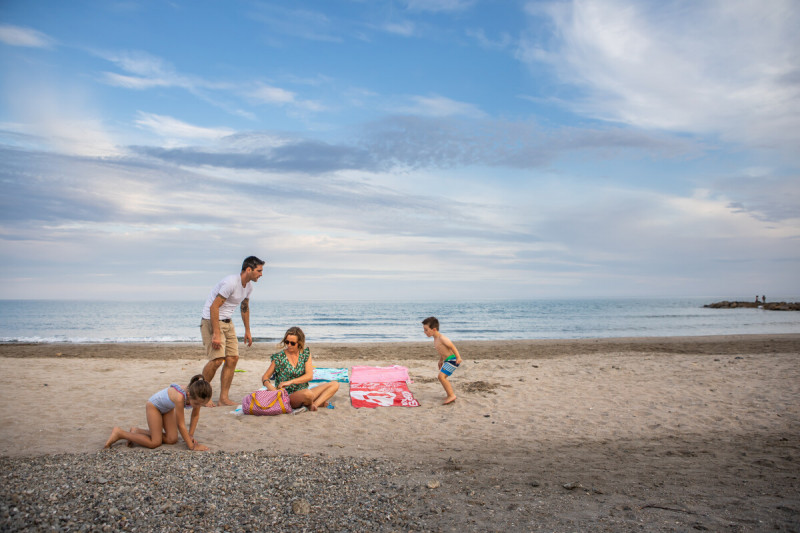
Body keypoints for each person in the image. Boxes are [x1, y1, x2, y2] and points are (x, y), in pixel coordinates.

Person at [201, 256, 265, 406]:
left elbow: (244, 308)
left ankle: (223, 398)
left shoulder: (249, 286)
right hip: (212, 321)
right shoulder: (231, 282)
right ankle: (202, 395)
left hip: (228, 322)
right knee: (217, 360)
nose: (261, 274)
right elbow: (214, 307)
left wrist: (247, 330)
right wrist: (216, 333)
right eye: (259, 271)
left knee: (232, 358)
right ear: (248, 269)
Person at [105, 374, 212, 450]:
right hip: (154, 406)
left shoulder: (197, 396)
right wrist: (192, 447)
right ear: (189, 395)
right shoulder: (180, 397)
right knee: (155, 442)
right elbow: (181, 424)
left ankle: (136, 431)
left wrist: (191, 435)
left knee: (172, 439)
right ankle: (120, 433)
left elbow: (195, 416)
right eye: (197, 404)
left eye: (201, 405)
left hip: (167, 409)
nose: (198, 406)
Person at [261, 327, 339, 411]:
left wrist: (290, 381)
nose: (289, 345)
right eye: (287, 342)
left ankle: (314, 405)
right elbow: (265, 377)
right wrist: (270, 386)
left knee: (335, 384)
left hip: (304, 391)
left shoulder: (305, 354)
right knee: (308, 394)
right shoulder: (278, 357)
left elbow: (309, 376)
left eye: (292, 343)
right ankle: (314, 402)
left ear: (299, 343)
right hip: (288, 395)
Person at [422, 316, 463, 405]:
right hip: (447, 360)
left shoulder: (442, 338)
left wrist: (458, 357)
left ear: (434, 329)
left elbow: (452, 347)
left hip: (452, 360)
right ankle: (450, 394)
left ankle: (451, 395)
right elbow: (443, 351)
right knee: (441, 377)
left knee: (441, 377)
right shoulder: (435, 339)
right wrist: (441, 360)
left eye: (426, 330)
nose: (424, 332)